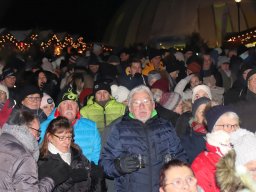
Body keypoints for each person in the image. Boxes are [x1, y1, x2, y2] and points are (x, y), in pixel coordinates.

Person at [100, 85, 187, 192]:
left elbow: (181, 156)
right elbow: (105, 163)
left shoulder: (166, 127)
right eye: (136, 103)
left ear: (153, 105)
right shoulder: (119, 129)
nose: (142, 106)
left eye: (146, 101)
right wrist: (119, 166)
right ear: (130, 107)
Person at [0, 109, 70, 191]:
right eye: (37, 132)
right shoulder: (24, 158)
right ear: (26, 129)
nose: (38, 137)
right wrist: (50, 180)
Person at [39, 116, 104, 192]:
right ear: (49, 137)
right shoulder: (43, 160)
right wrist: (70, 180)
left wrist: (97, 179)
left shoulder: (76, 152)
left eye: (69, 137)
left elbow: (89, 182)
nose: (67, 142)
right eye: (62, 138)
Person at [40, 88, 101, 164]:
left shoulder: (91, 127)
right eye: (65, 103)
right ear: (58, 108)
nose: (69, 107)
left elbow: (96, 156)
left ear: (78, 109)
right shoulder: (45, 127)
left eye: (73, 103)